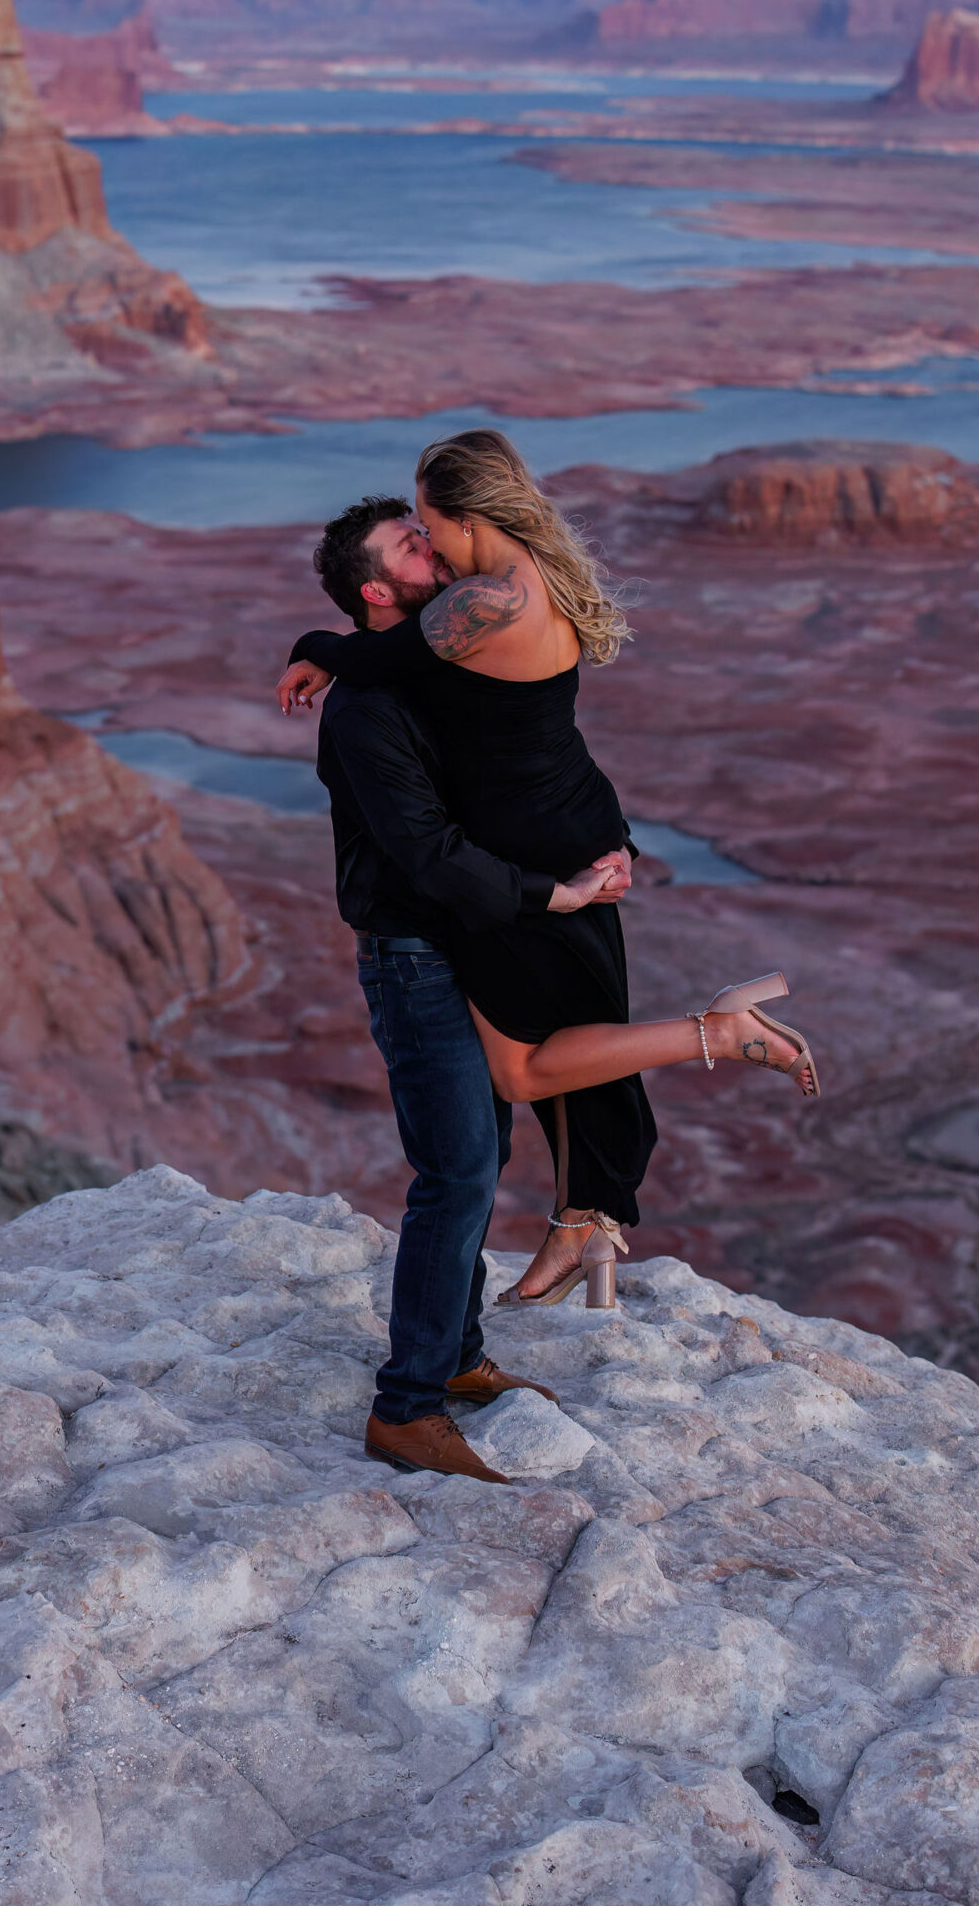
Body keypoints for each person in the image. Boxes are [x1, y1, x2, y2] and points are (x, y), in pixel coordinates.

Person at [279, 430, 819, 1309]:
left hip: (533, 854)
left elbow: (378, 656)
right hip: (561, 827)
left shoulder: (485, 601)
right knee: (575, 1043)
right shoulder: (524, 568)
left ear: (465, 516)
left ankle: (718, 1033)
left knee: (524, 1070)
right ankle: (586, 1226)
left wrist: (313, 639)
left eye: (425, 521)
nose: (426, 537)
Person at [304, 493, 640, 1486]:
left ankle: (454, 1354)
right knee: (454, 1169)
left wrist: (600, 850)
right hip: (416, 953)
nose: (436, 547)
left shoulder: (443, 666)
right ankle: (406, 1407)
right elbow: (429, 852)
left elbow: (530, 779)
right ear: (377, 589)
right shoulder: (368, 710)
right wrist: (553, 892)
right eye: (413, 545)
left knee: (483, 1154)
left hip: (472, 944)